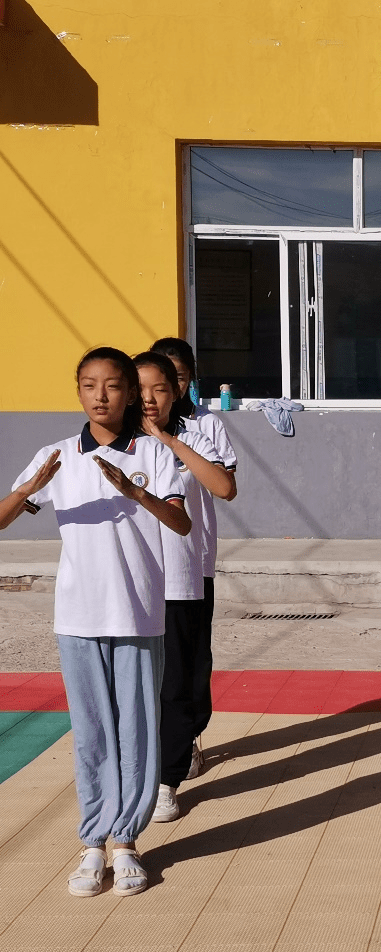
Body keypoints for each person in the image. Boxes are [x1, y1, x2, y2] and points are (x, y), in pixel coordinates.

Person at [0, 347, 191, 898]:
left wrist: (134, 492)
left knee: (136, 730)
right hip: (77, 614)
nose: (100, 395)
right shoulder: (57, 456)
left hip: (137, 614)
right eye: (88, 385)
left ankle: (127, 842)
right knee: (90, 733)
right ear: (78, 391)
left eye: (111, 385)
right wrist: (29, 489)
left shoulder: (153, 454)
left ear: (131, 392)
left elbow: (179, 523)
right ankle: (93, 842)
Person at [133, 353, 236, 823]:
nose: (150, 398)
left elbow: (225, 487)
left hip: (180, 574)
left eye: (161, 387)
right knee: (136, 685)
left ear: (178, 389)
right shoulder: (117, 439)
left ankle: (166, 779)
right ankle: (135, 770)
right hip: (129, 579)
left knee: (178, 680)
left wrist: (168, 440)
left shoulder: (195, 433)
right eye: (140, 388)